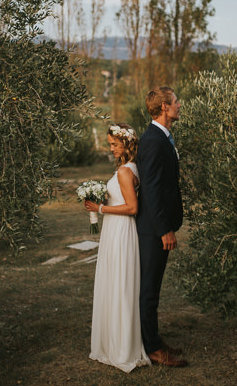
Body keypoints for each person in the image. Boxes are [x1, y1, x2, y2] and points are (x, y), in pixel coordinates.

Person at [85, 123, 150, 373]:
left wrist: (99, 209)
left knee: (120, 285)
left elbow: (132, 208)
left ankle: (122, 348)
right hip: (118, 231)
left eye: (114, 144)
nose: (110, 148)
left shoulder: (125, 171)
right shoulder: (131, 167)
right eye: (110, 143)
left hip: (121, 231)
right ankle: (119, 341)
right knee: (119, 284)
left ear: (126, 144)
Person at [136, 86, 188, 367]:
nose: (180, 105)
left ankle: (152, 337)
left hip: (159, 225)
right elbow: (153, 190)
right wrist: (164, 229)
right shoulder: (153, 140)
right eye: (176, 102)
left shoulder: (162, 136)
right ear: (164, 108)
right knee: (149, 288)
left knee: (153, 286)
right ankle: (153, 348)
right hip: (153, 228)